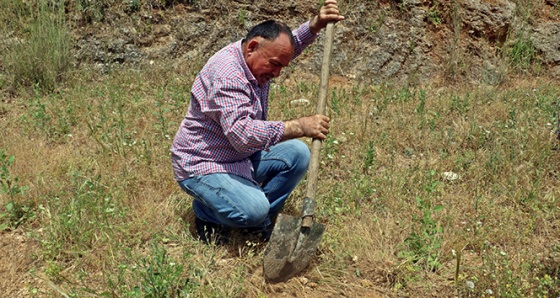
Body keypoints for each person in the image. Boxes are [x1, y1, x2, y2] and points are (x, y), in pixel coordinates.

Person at [170, 0, 344, 244]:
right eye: (274, 65)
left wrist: (315, 25)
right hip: (204, 164)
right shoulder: (227, 75)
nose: (277, 73)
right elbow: (242, 136)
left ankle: (257, 222)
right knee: (253, 209)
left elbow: (285, 46)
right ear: (252, 47)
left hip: (238, 157)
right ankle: (207, 213)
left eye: (282, 66)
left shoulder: (258, 54)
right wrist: (299, 126)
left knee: (297, 154)